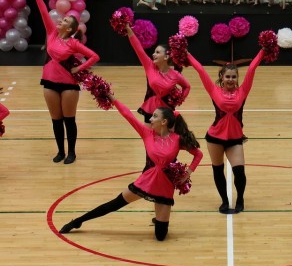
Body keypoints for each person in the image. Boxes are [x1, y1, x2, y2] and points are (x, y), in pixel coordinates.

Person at [59, 96, 203, 240]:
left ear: (164, 122)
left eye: (154, 116)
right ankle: (78, 221)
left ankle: (158, 217)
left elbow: (198, 154)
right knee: (114, 204)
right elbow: (128, 114)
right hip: (147, 181)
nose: (150, 119)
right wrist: (111, 97)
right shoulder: (147, 133)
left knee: (160, 236)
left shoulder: (177, 139)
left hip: (165, 187)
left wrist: (188, 173)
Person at [187, 48, 266, 214]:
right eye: (227, 76)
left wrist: (263, 50)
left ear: (237, 79)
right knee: (218, 169)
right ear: (222, 78)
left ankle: (240, 199)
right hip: (215, 138)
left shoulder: (243, 91)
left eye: (234, 76)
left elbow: (252, 68)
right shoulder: (214, 90)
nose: (231, 79)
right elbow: (200, 69)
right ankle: (224, 201)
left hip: (235, 139)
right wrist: (186, 53)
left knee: (239, 172)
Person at [34, 0, 100, 164]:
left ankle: (72, 152)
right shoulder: (52, 34)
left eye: (64, 21)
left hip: (68, 85)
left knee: (69, 120)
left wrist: (79, 69)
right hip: (49, 82)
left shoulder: (73, 43)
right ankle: (60, 151)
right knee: (56, 120)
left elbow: (94, 56)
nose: (60, 21)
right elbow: (43, 12)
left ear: (70, 29)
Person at [126, 24, 190, 123]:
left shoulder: (175, 75)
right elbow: (138, 48)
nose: (153, 54)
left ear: (166, 57)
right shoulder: (149, 66)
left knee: (167, 138)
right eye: (154, 52)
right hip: (150, 109)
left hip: (167, 112)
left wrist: (180, 100)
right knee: (149, 138)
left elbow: (187, 86)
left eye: (157, 52)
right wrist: (128, 29)